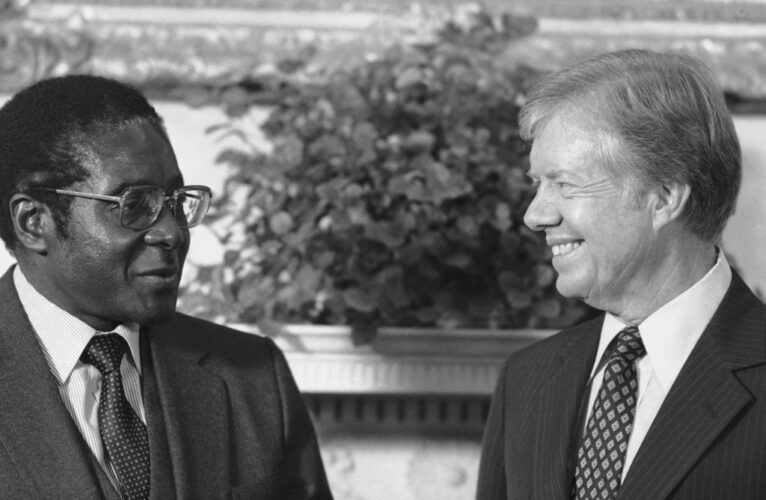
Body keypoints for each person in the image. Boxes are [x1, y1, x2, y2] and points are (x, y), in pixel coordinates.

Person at [0, 75, 332, 499]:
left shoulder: (253, 377)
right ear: (33, 223)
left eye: (175, 201)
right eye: (135, 205)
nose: (172, 233)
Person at [477, 49, 766, 499]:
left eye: (564, 184)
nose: (535, 215)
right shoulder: (527, 378)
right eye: (538, 184)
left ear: (664, 198)